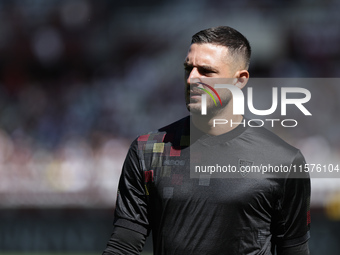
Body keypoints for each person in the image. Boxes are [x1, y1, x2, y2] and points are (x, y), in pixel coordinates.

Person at [103, 26, 311, 255]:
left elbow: (294, 250)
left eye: (206, 71)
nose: (192, 78)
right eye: (188, 68)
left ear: (239, 80)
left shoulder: (282, 160)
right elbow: (123, 245)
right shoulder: (149, 151)